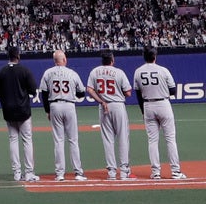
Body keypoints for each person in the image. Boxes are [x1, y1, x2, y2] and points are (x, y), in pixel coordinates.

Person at [133, 48, 188, 180]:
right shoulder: (163, 70)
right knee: (170, 139)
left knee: (152, 140)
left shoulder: (138, 71)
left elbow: (138, 94)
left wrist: (143, 110)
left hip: (147, 105)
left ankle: (155, 172)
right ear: (155, 56)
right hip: (163, 104)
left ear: (143, 56)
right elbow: (173, 90)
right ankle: (175, 171)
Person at [39, 51, 88, 182]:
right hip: (69, 105)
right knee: (73, 140)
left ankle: (60, 174)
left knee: (58, 141)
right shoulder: (72, 73)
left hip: (54, 106)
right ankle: (78, 172)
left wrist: (47, 110)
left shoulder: (48, 73)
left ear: (54, 60)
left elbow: (43, 93)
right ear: (64, 59)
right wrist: (73, 95)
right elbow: (82, 93)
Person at [87, 51, 133, 180]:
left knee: (108, 139)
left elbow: (89, 89)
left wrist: (101, 101)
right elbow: (128, 93)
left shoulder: (95, 71)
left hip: (103, 106)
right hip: (118, 105)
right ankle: (124, 171)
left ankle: (111, 172)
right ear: (112, 60)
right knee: (123, 137)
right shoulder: (119, 72)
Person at [0, 46, 39, 182]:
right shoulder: (25, 70)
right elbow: (33, 91)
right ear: (18, 56)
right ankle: (29, 172)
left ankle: (16, 173)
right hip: (23, 110)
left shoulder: (1, 71)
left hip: (8, 110)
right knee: (27, 140)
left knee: (13, 140)